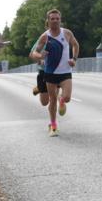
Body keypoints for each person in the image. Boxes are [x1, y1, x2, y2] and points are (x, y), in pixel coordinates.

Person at [29, 9, 79, 137]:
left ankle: (61, 100)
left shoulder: (67, 33)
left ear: (60, 20)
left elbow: (75, 45)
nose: (55, 20)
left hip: (65, 72)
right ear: (48, 21)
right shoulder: (45, 36)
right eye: (53, 19)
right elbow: (34, 53)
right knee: (50, 100)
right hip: (50, 72)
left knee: (67, 98)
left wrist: (74, 58)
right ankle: (53, 125)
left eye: (57, 18)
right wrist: (40, 56)